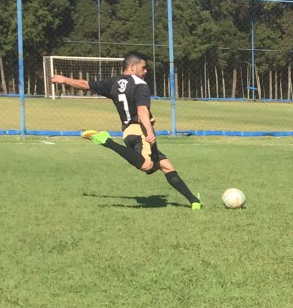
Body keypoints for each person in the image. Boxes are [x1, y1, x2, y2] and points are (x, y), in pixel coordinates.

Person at [51, 52, 202, 209]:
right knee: (147, 165)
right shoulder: (140, 85)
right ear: (132, 66)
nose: (146, 71)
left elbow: (85, 85)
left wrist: (64, 80)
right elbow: (142, 110)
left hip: (128, 133)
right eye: (143, 68)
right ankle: (106, 141)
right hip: (140, 131)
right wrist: (149, 131)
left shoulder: (113, 83)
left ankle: (194, 201)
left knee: (166, 166)